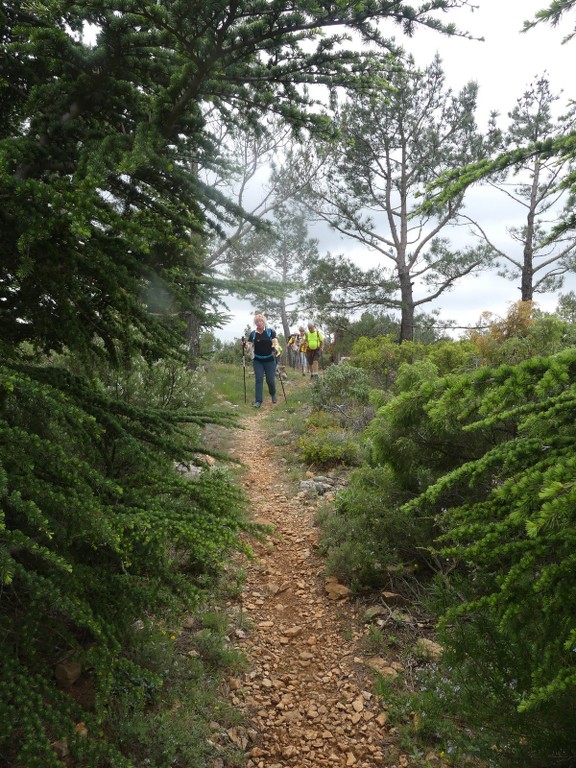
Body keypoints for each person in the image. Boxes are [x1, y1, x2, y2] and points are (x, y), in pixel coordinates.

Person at [243, 313, 278, 408]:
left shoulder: (270, 332)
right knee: (259, 379)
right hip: (258, 360)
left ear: (264, 322)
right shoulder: (253, 334)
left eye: (261, 321)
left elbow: (275, 343)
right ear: (255, 323)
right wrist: (245, 345)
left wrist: (275, 349)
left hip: (269, 359)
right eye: (257, 321)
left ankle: (273, 393)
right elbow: (249, 347)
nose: (259, 323)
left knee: (270, 380)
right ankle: (258, 401)